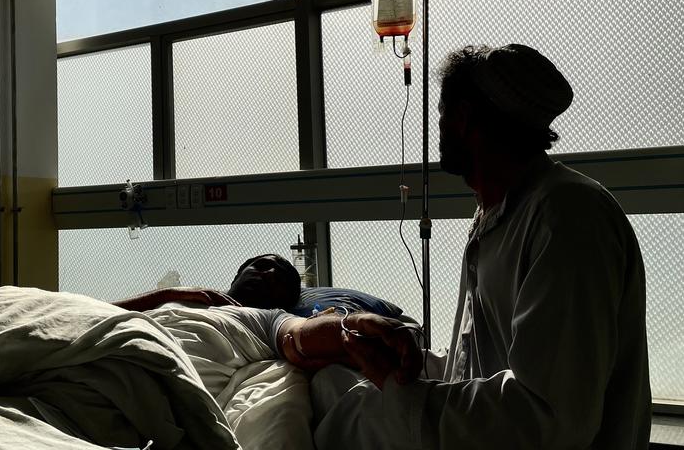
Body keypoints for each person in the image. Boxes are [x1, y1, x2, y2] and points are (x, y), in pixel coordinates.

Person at [274, 44, 651, 449]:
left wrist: (402, 391)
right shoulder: (495, 217)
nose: (438, 126)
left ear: (465, 118)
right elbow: (478, 368)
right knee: (331, 383)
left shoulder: (568, 217)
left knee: (335, 416)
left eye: (441, 114)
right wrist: (399, 359)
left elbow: (548, 419)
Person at [112, 253, 302, 312]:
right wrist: (169, 294)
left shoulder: (265, 326)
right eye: (261, 266)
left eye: (279, 279)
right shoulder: (184, 297)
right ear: (237, 275)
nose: (268, 274)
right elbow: (101, 312)